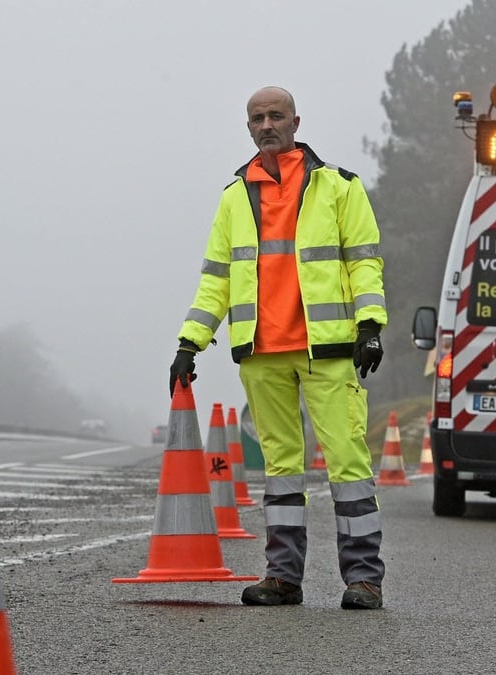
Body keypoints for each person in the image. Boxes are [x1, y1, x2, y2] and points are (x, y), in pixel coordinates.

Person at [169, 86, 388, 610]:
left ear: (295, 121)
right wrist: (189, 342)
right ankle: (283, 578)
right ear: (248, 128)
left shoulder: (338, 187)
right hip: (262, 353)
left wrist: (370, 324)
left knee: (348, 465)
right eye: (257, 118)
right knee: (281, 470)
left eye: (276, 116)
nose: (267, 125)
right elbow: (216, 280)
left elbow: (363, 261)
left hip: (328, 350)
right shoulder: (234, 196)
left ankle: (364, 579)